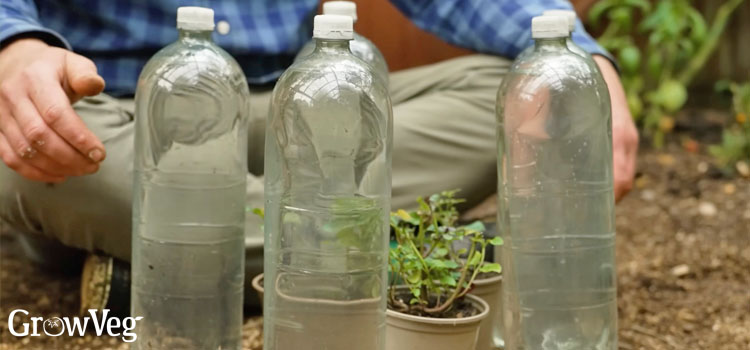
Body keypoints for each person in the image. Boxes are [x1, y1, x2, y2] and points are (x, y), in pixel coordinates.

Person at [0, 0, 638, 308]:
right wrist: (15, 44)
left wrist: (575, 58)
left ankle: (181, 267)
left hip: (300, 113)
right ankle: (440, 262)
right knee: (23, 142)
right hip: (123, 111)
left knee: (503, 93)